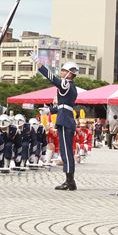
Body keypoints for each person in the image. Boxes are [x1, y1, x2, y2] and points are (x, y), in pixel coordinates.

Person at [36, 59, 79, 190]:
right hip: (65, 119)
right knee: (65, 152)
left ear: (70, 73)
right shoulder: (71, 87)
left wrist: (41, 67)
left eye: (64, 70)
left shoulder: (66, 83)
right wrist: (49, 110)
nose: (61, 72)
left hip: (65, 121)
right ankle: (69, 180)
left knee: (66, 153)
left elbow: (54, 80)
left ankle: (70, 181)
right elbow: (63, 106)